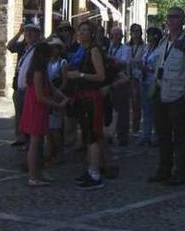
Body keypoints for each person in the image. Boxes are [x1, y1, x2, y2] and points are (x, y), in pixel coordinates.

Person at [149, 6, 185, 186]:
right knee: (163, 135)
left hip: (177, 96)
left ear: (182, 20)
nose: (171, 20)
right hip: (161, 95)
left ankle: (181, 173)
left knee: (180, 137)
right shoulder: (164, 43)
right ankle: (164, 169)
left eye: (176, 17)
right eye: (169, 17)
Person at [66, 21, 107, 190]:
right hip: (82, 96)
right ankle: (90, 169)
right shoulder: (81, 51)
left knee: (93, 135)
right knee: (87, 135)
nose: (81, 33)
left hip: (91, 97)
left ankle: (95, 173)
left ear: (91, 34)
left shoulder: (94, 50)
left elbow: (100, 76)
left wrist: (80, 74)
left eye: (85, 31)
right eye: (80, 31)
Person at [20, 43, 68, 187]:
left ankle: (38, 173)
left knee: (39, 142)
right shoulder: (38, 72)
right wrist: (59, 104)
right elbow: (40, 96)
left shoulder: (42, 70)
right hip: (36, 109)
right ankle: (33, 176)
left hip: (39, 108)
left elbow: (52, 88)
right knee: (35, 143)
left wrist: (63, 96)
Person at [7, 22, 42, 148]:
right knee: (19, 113)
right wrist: (19, 33)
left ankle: (28, 141)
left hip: (31, 87)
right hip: (18, 86)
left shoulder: (39, 48)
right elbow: (10, 46)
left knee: (29, 114)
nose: (29, 34)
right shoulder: (22, 46)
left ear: (38, 34)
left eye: (32, 32)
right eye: (27, 31)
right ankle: (20, 137)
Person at [106, 27, 132, 146]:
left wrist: (112, 59)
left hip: (122, 81)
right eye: (113, 35)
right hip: (110, 80)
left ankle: (123, 136)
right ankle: (110, 133)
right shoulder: (109, 47)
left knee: (122, 110)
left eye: (117, 35)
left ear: (122, 37)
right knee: (110, 109)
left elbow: (125, 62)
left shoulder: (126, 48)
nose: (114, 37)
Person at [46, 37, 70, 162]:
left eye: (55, 48)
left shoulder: (62, 63)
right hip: (48, 96)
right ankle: (50, 152)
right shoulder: (46, 62)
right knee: (48, 128)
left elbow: (65, 81)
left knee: (55, 128)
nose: (52, 50)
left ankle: (59, 152)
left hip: (57, 96)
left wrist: (58, 93)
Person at [139, 27, 162, 146]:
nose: (148, 38)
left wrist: (148, 68)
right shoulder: (147, 49)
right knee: (146, 110)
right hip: (144, 81)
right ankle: (146, 136)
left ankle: (156, 136)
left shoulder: (159, 51)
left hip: (153, 82)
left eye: (150, 35)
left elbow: (159, 67)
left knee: (155, 110)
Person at [127, 24, 147, 139]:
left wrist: (132, 61)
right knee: (127, 104)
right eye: (134, 30)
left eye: (138, 30)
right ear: (130, 33)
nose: (136, 33)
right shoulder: (127, 46)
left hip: (138, 78)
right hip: (128, 77)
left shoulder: (144, 47)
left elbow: (143, 62)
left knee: (137, 104)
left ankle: (135, 128)